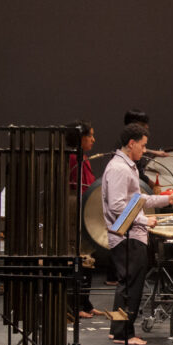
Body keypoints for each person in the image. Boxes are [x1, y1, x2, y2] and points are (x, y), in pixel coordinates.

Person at [102, 123, 173, 345]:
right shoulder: (119, 168)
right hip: (126, 236)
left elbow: (138, 200)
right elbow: (118, 206)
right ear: (131, 143)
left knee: (129, 283)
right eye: (143, 146)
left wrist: (167, 199)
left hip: (132, 233)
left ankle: (118, 330)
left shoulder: (127, 166)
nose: (145, 150)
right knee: (130, 285)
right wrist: (145, 220)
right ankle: (122, 334)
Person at [65, 120, 101, 318]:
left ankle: (85, 304)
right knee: (77, 258)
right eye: (90, 136)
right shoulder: (72, 158)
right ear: (80, 138)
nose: (94, 139)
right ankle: (75, 306)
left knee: (87, 258)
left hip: (84, 208)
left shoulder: (82, 157)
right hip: (75, 210)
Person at [123, 109, 169, 192]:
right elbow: (139, 176)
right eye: (143, 124)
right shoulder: (121, 165)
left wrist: (154, 152)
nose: (147, 126)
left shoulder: (127, 143)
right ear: (134, 124)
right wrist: (155, 187)